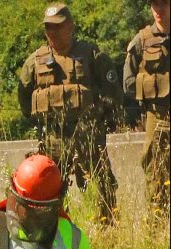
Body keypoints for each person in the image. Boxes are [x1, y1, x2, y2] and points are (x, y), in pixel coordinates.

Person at [18, 4, 123, 224]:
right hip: (53, 138)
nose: (52, 32)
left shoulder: (91, 54)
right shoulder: (34, 62)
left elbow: (112, 89)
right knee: (49, 193)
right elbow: (24, 96)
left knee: (103, 186)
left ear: (70, 26)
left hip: (88, 134)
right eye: (48, 28)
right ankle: (54, 234)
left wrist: (100, 118)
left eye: (57, 27)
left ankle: (109, 233)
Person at [124, 0, 170, 224]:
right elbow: (128, 81)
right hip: (157, 116)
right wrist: (150, 93)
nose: (159, 10)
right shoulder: (142, 40)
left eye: (165, 4)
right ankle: (158, 227)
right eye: (155, 5)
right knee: (155, 172)